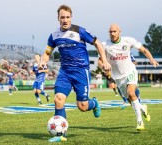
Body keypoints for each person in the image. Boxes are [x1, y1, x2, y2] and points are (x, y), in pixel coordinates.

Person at [40, 5, 111, 142]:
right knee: (58, 99)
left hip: (80, 71)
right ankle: (60, 135)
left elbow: (97, 43)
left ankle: (94, 103)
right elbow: (47, 53)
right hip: (65, 72)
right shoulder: (54, 35)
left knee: (82, 106)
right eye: (62, 17)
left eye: (67, 17)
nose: (65, 20)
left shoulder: (80, 31)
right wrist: (43, 61)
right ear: (58, 18)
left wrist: (104, 60)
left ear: (71, 18)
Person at [98, 24, 159, 131]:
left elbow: (143, 50)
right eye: (110, 32)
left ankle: (140, 122)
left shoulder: (128, 41)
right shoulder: (105, 45)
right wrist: (103, 66)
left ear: (119, 32)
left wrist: (152, 59)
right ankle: (142, 107)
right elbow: (99, 60)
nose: (112, 34)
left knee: (131, 93)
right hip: (117, 77)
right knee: (130, 100)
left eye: (114, 31)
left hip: (130, 71)